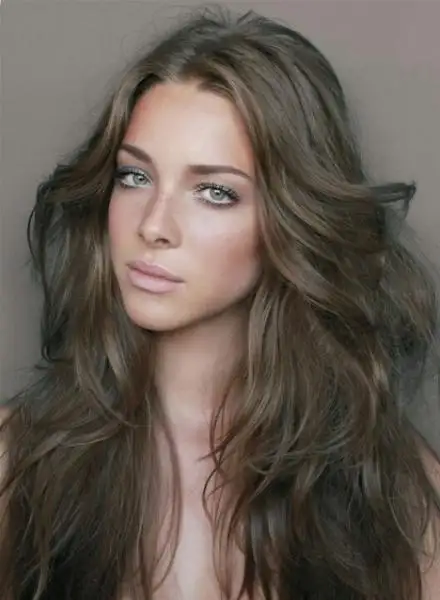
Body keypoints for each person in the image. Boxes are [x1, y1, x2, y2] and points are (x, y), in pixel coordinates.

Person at [0, 5, 439, 600]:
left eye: (214, 192)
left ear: (291, 219)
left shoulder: (396, 496)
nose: (154, 225)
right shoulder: (18, 464)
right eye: (134, 177)